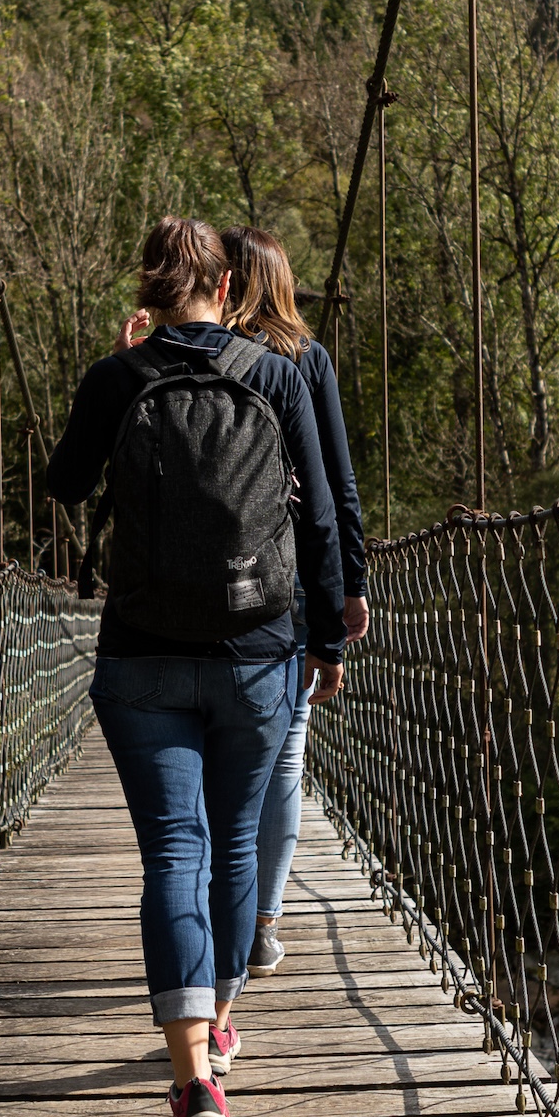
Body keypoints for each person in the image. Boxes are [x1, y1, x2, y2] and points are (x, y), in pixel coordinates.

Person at [43, 218, 349, 1117]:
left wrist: (115, 365)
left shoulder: (116, 377)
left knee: (175, 852)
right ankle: (218, 1021)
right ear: (225, 288)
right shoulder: (277, 373)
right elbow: (324, 518)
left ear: (151, 287)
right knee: (234, 846)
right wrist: (327, 636)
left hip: (140, 655)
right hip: (261, 652)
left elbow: (62, 484)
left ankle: (194, 1087)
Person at [217, 226, 369, 983]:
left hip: (208, 596)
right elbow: (336, 491)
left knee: (216, 764)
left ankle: (225, 913)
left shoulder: (202, 358)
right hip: (292, 595)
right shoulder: (307, 361)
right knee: (283, 761)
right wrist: (349, 592)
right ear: (280, 280)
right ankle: (264, 924)